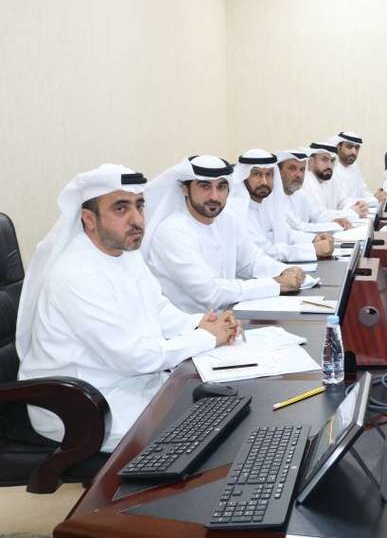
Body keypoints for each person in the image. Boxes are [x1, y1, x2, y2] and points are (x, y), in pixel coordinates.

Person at [16, 165, 240, 451]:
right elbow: (134, 357)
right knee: (204, 436)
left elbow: (157, 308)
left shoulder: (123, 252)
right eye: (121, 208)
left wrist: (202, 323)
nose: (137, 219)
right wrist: (208, 337)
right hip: (84, 405)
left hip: (131, 384)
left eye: (139, 206)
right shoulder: (76, 275)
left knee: (226, 410)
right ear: (89, 219)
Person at [144, 155, 305, 313]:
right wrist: (276, 283)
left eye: (221, 187)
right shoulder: (172, 231)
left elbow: (251, 261)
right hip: (191, 326)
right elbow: (210, 293)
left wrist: (286, 271)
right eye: (205, 186)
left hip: (227, 319)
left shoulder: (227, 219)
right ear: (185, 189)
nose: (214, 196)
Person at [230, 149, 333, 262]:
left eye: (269, 174)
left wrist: (314, 239)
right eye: (257, 174)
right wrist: (312, 250)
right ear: (244, 176)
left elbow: (286, 233)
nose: (264, 181)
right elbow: (263, 252)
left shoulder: (267, 204)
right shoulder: (238, 210)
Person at [277, 149, 351, 231]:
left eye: (302, 170)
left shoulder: (300, 194)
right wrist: (334, 226)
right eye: (292, 168)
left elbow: (316, 215)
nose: (299, 175)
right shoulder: (274, 198)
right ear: (278, 172)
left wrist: (334, 220)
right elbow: (297, 227)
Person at [303, 141, 369, 221]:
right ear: (311, 161)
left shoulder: (331, 180)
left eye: (332, 161)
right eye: (324, 160)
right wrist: (352, 212)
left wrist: (358, 206)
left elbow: (342, 201)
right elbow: (318, 216)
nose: (329, 165)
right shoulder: (305, 182)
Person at [330, 131, 387, 205]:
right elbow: (343, 203)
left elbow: (363, 191)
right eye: (349, 147)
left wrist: (376, 196)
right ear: (338, 147)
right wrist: (375, 199)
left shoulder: (353, 166)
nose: (354, 152)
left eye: (357, 148)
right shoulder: (332, 170)